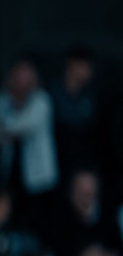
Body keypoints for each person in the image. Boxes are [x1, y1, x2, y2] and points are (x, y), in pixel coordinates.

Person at [0, 56, 57, 228]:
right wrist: (3, 130)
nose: (21, 81)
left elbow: (24, 125)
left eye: (25, 76)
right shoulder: (0, 100)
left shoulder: (41, 100)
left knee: (37, 223)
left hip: (38, 177)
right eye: (17, 76)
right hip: (10, 173)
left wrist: (2, 126)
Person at [52, 45, 101, 182]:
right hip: (56, 161)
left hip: (83, 162)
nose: (89, 72)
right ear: (72, 65)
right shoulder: (52, 94)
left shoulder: (90, 96)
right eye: (84, 66)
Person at [50, 171, 121, 256]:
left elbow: (115, 252)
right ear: (71, 194)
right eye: (81, 193)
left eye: (89, 193)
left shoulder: (109, 216)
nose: (86, 199)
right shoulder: (60, 221)